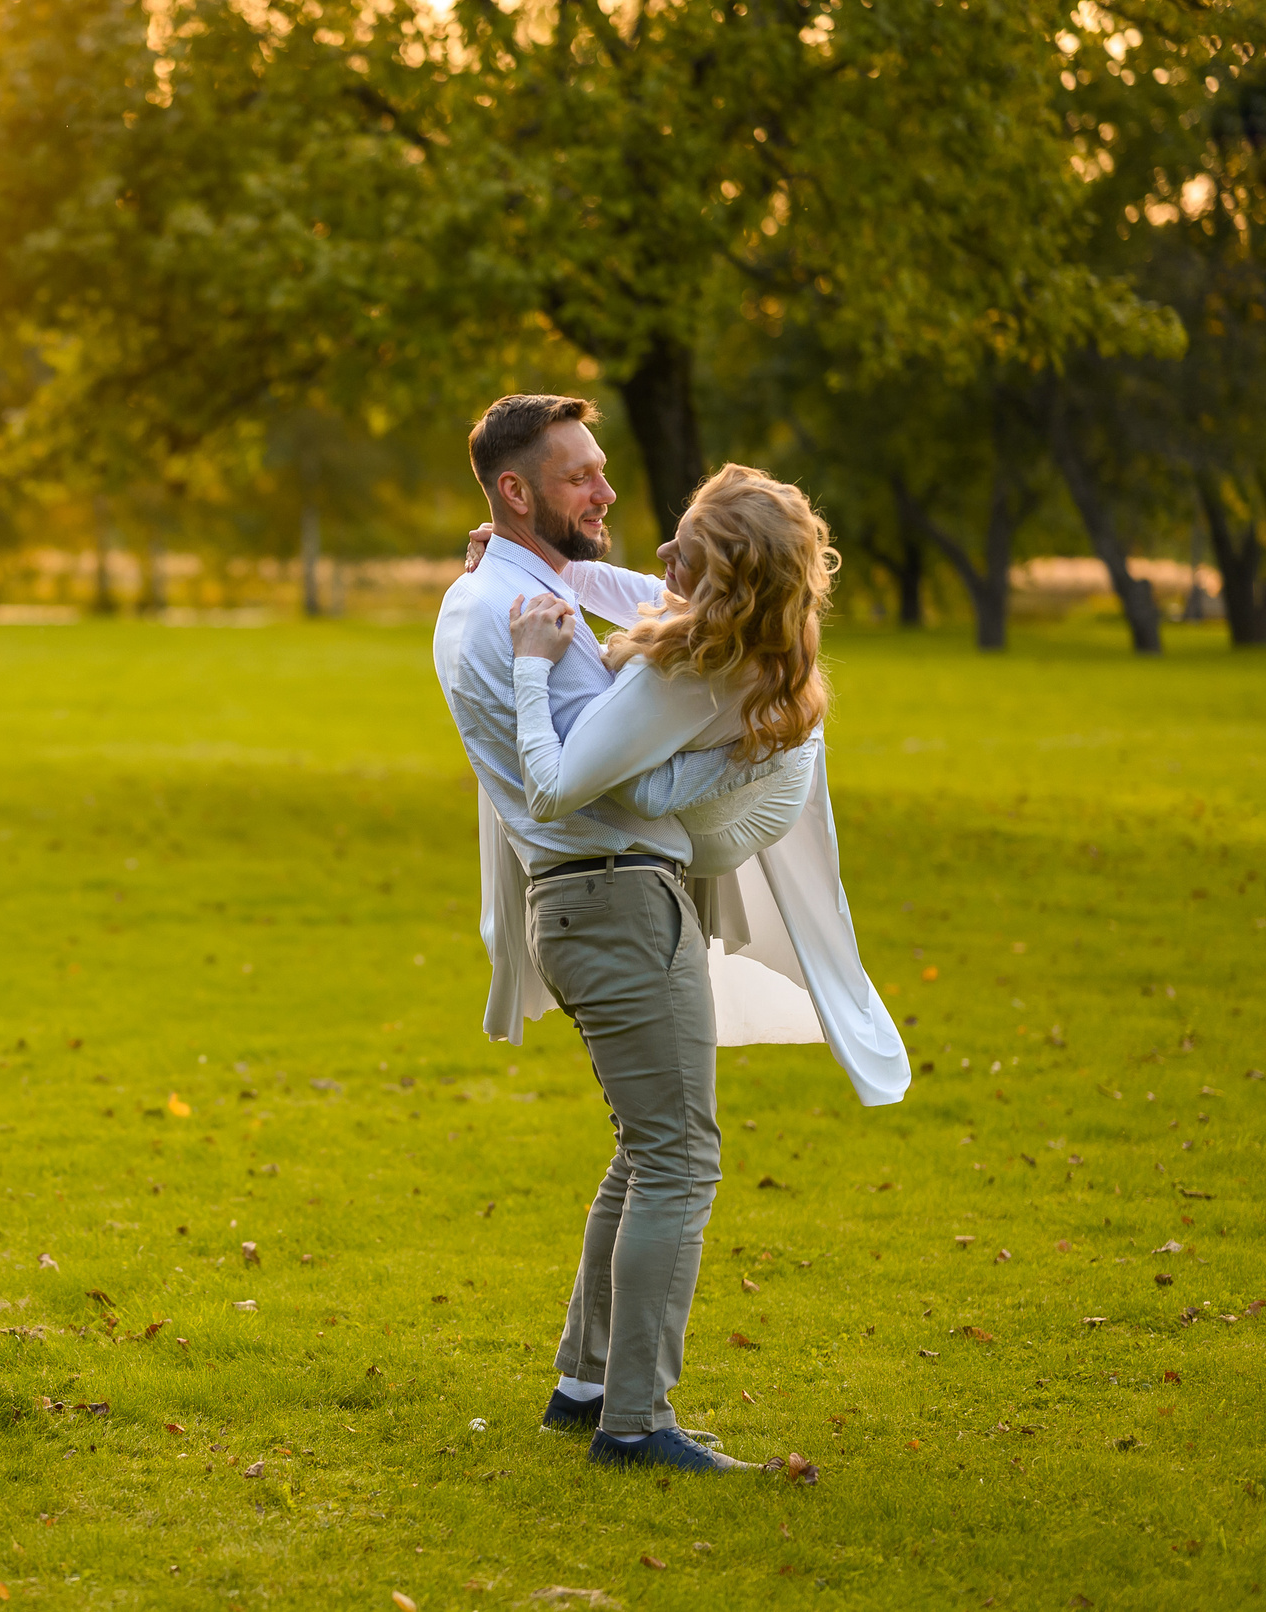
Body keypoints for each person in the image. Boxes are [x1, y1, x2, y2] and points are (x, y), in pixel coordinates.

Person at [432, 395, 784, 1474]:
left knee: (645, 1150)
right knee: (680, 1156)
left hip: (598, 897)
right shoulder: (511, 613)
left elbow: (627, 605)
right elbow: (580, 773)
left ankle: (586, 1385)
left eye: (601, 468)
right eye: (581, 475)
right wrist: (741, 754)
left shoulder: (509, 588)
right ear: (515, 489)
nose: (608, 491)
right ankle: (636, 1421)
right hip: (615, 896)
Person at [502, 463, 911, 1096]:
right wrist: (519, 550)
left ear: (726, 587)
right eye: (677, 534)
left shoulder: (708, 671)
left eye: (685, 554)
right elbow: (642, 590)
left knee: (638, 786)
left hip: (744, 818)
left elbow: (556, 792)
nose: (665, 551)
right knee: (651, 644)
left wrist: (530, 667)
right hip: (763, 742)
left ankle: (761, 752)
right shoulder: (744, 616)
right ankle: (754, 745)